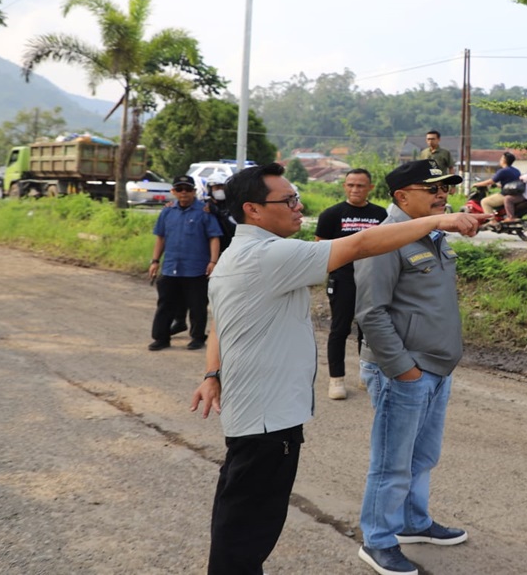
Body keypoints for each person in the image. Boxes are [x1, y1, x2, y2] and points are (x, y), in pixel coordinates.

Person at [189, 162, 484, 574]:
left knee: (243, 518)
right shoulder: (268, 254)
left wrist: (211, 373)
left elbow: (220, 318)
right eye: (289, 199)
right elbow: (360, 248)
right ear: (253, 210)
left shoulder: (244, 255)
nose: (299, 205)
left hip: (265, 414)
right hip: (266, 420)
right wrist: (445, 219)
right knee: (248, 526)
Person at [354, 160, 474, 575]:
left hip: (436, 367)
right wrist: (403, 369)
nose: (443, 195)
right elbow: (371, 313)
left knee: (422, 456)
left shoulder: (431, 234)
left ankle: (412, 522)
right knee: (392, 461)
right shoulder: (383, 240)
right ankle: (378, 540)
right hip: (404, 371)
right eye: (433, 188)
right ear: (402, 196)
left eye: (445, 189)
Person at [314, 169, 387, 400]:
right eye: (351, 185)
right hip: (343, 278)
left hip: (373, 279)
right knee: (340, 328)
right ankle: (336, 380)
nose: (355, 189)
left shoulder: (380, 215)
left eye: (361, 186)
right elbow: (321, 250)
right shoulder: (331, 215)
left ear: (370, 188)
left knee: (370, 328)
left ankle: (367, 374)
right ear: (344, 186)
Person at [147, 175, 222, 351]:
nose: (184, 193)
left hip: (196, 268)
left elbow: (214, 237)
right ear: (173, 192)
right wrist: (155, 261)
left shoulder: (204, 211)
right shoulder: (167, 211)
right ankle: (161, 338)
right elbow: (161, 238)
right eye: (179, 189)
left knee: (197, 305)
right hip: (171, 266)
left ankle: (197, 338)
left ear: (194, 192)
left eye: (188, 189)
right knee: (165, 304)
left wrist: (213, 261)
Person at [472, 151, 520, 215]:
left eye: (501, 159)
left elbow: (490, 181)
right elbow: (510, 184)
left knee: (484, 202)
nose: (500, 160)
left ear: (504, 160)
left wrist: (476, 184)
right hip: (516, 194)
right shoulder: (516, 171)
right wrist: (497, 185)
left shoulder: (503, 171)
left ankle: (492, 221)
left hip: (505, 195)